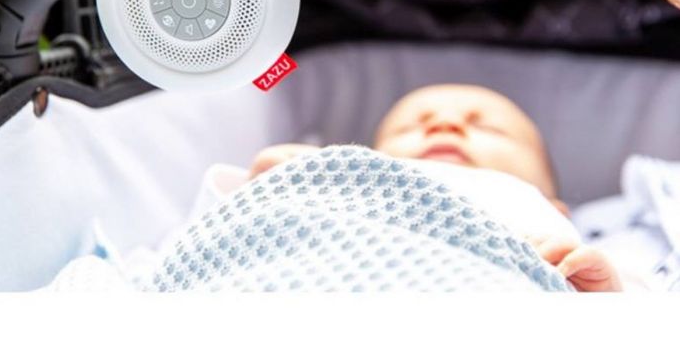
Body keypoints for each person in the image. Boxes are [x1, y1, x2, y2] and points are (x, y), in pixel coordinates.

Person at [247, 84, 625, 292]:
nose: (444, 124)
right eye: (410, 128)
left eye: (488, 128)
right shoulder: (347, 183)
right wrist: (295, 176)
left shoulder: (545, 226)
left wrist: (601, 295)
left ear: (557, 211)